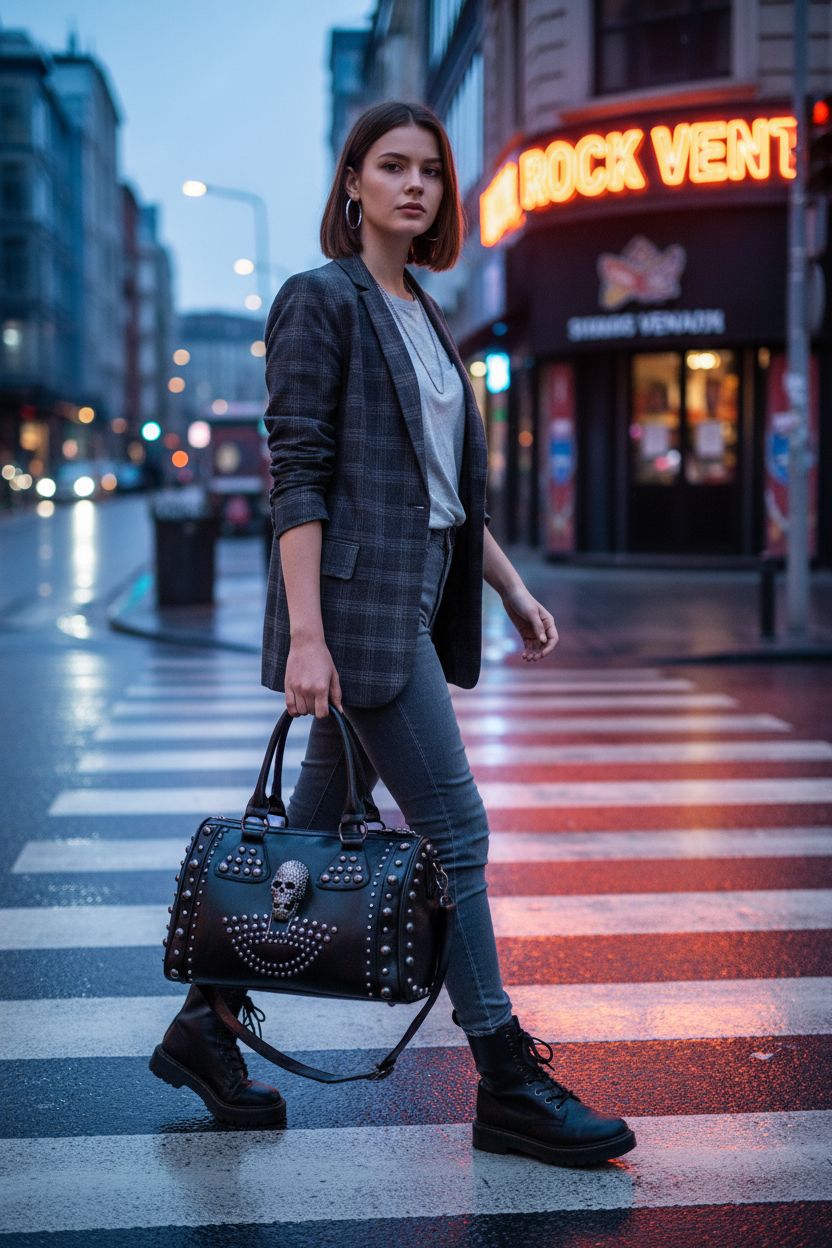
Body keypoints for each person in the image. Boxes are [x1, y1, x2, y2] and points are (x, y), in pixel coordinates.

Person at [151, 100, 636, 1168]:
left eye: (430, 170)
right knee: (456, 832)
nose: (415, 185)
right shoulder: (319, 299)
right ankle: (505, 1078)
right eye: (392, 166)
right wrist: (306, 637)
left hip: (424, 588)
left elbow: (443, 492)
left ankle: (203, 1026)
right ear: (352, 183)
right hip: (360, 610)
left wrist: (509, 588)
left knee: (310, 822)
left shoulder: (426, 311)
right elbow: (298, 479)